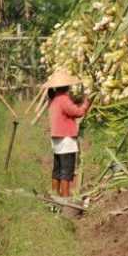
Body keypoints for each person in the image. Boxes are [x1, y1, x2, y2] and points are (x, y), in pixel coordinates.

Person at [44, 69, 91, 197]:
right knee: (66, 170)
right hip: (66, 139)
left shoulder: (53, 99)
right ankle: (65, 199)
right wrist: (87, 102)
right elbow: (78, 112)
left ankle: (55, 196)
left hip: (57, 138)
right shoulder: (63, 99)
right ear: (67, 86)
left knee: (57, 170)